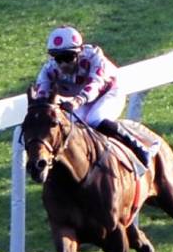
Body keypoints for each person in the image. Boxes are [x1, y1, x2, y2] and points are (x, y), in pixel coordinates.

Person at [31, 26, 151, 168]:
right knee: (70, 125)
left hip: (110, 92)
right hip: (83, 99)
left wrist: (76, 102)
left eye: (68, 57)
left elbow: (95, 85)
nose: (63, 64)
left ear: (79, 52)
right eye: (58, 58)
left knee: (95, 119)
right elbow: (42, 95)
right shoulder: (49, 70)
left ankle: (139, 148)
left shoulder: (95, 58)